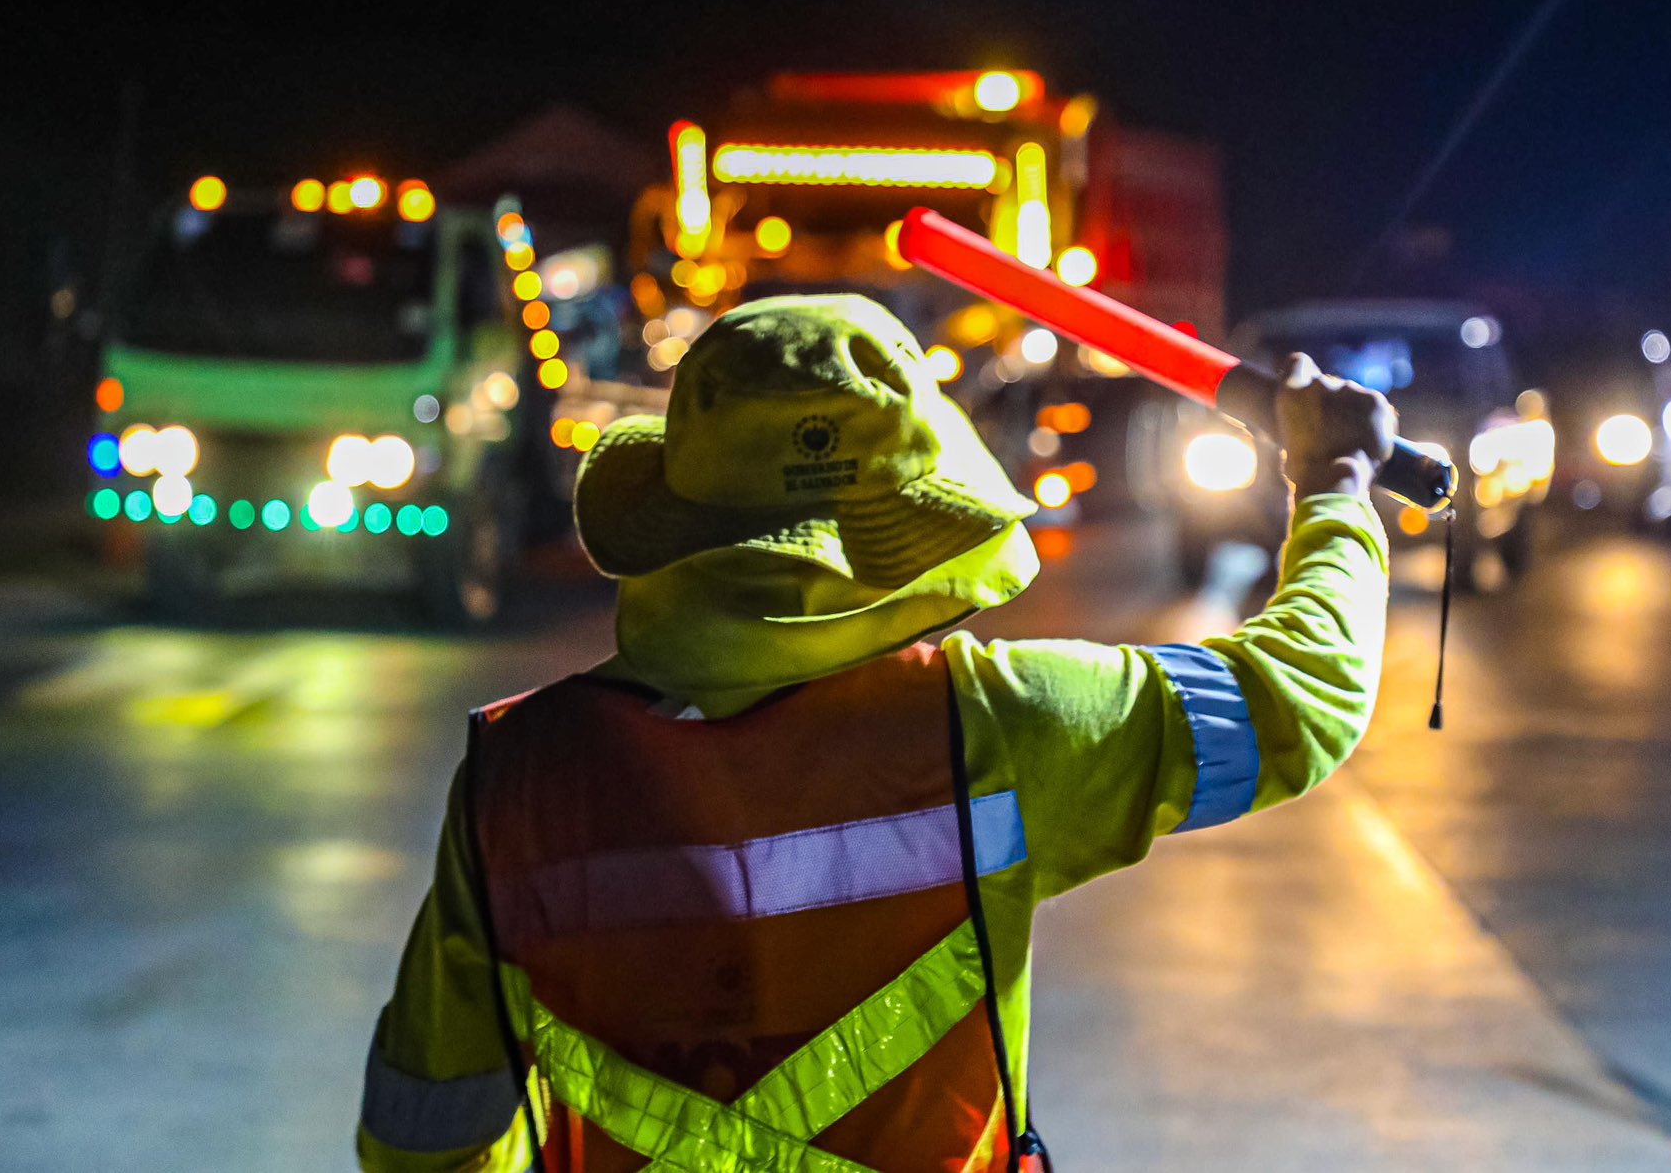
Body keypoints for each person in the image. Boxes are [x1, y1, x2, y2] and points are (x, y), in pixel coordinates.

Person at [357, 292, 1396, 1173]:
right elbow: (1301, 696)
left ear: (677, 507)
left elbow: (425, 1126)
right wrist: (1334, 483)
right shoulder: (998, 724)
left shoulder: (520, 775)